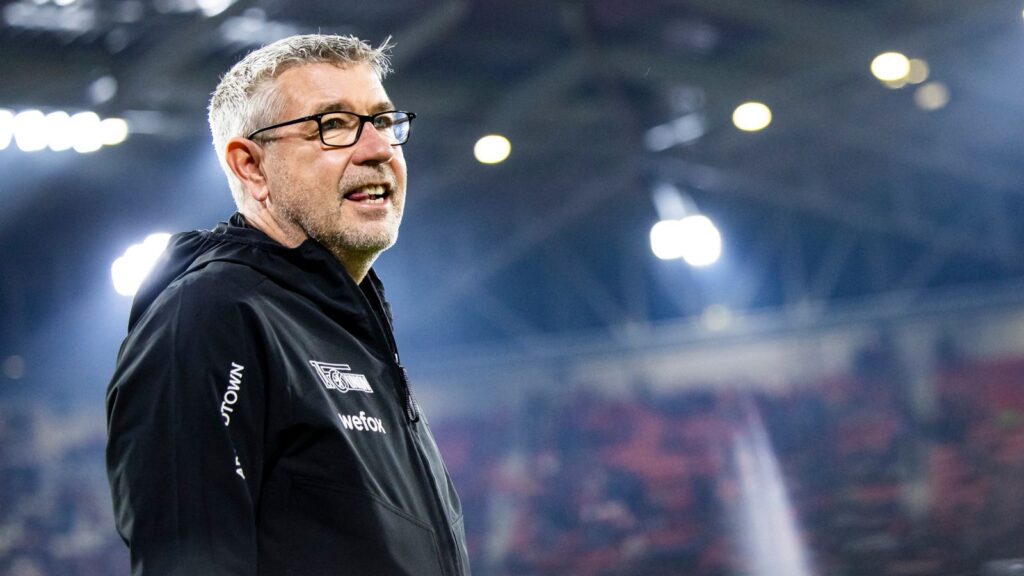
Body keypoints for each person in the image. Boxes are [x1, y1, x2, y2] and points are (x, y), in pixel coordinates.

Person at [105, 34, 470, 576]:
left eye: (383, 121)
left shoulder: (345, 323)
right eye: (333, 125)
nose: (378, 149)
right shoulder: (211, 314)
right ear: (251, 167)